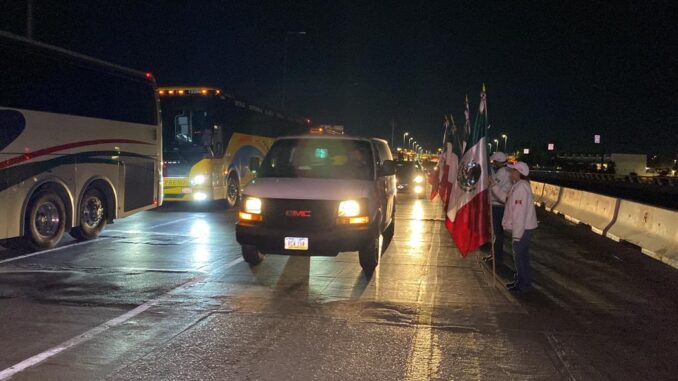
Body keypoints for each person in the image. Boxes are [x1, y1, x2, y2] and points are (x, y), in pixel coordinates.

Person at [502, 161, 538, 293]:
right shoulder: (519, 186)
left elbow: (519, 214)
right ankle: (521, 281)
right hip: (524, 228)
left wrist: (517, 235)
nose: (511, 173)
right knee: (522, 257)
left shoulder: (521, 188)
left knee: (520, 258)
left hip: (523, 229)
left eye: (513, 171)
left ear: (519, 173)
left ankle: (523, 285)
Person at [484, 152, 512, 265]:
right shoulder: (505, 171)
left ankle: (497, 257)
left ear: (498, 162)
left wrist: (489, 180)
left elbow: (495, 187)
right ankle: (495, 255)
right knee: (496, 232)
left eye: (494, 162)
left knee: (497, 233)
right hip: (497, 204)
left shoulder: (503, 172)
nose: (493, 164)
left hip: (498, 205)